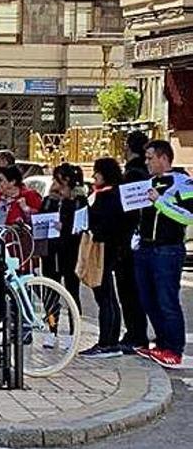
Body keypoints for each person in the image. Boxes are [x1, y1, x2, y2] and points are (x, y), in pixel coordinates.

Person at [134, 140, 191, 368]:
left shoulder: (183, 184)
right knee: (148, 299)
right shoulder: (147, 183)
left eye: (150, 158)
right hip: (145, 248)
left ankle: (174, 349)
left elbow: (188, 217)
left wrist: (161, 202)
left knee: (167, 300)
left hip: (167, 249)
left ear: (164, 158)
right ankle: (161, 342)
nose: (147, 162)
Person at [79, 158, 125, 358]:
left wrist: (93, 230)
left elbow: (108, 225)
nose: (94, 176)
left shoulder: (110, 197)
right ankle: (109, 340)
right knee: (106, 296)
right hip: (103, 248)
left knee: (105, 296)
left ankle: (108, 342)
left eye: (97, 172)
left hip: (104, 250)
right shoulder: (101, 195)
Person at [40, 163, 88, 350]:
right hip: (51, 253)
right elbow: (42, 217)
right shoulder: (50, 200)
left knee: (72, 292)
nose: (54, 183)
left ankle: (73, 332)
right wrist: (50, 200)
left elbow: (81, 226)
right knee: (50, 294)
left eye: (57, 179)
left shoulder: (78, 201)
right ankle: (52, 329)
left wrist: (65, 227)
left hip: (70, 252)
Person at [115, 131, 149, 354]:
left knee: (129, 291)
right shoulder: (145, 173)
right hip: (138, 238)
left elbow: (126, 211)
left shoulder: (133, 174)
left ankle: (135, 335)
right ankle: (137, 333)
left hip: (127, 240)